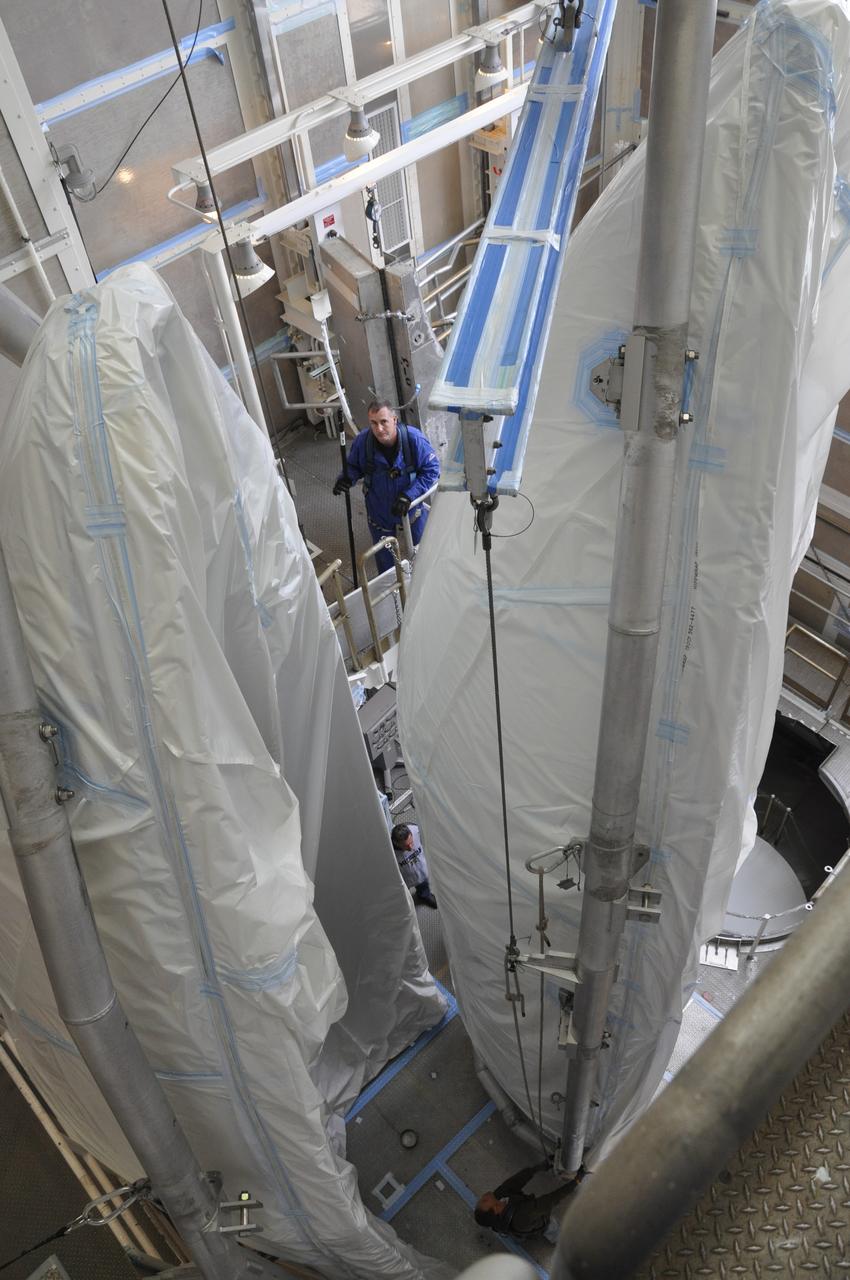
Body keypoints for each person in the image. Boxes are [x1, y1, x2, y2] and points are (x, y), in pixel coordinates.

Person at [333, 401, 440, 573]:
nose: (379, 429)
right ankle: (392, 586)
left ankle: (428, 578)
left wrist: (409, 495)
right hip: (379, 510)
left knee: (424, 553)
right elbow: (353, 466)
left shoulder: (413, 440)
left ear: (394, 420)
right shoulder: (363, 442)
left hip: (411, 509)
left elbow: (432, 469)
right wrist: (346, 478)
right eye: (374, 423)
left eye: (384, 422)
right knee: (386, 562)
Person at [473, 1161, 584, 1239]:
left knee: (521, 1231)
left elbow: (517, 1180)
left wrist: (538, 1167)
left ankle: (521, 1236)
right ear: (496, 1209)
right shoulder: (522, 1216)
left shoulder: (498, 1196)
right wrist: (576, 1181)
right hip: (531, 1222)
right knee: (551, 1229)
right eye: (484, 1201)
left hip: (519, 1222)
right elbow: (552, 1199)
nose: (484, 1196)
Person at [390, 822, 437, 909]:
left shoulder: (416, 830)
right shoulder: (390, 852)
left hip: (420, 869)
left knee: (423, 883)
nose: (411, 848)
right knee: (403, 895)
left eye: (411, 842)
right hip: (404, 878)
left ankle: (424, 894)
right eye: (406, 846)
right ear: (396, 843)